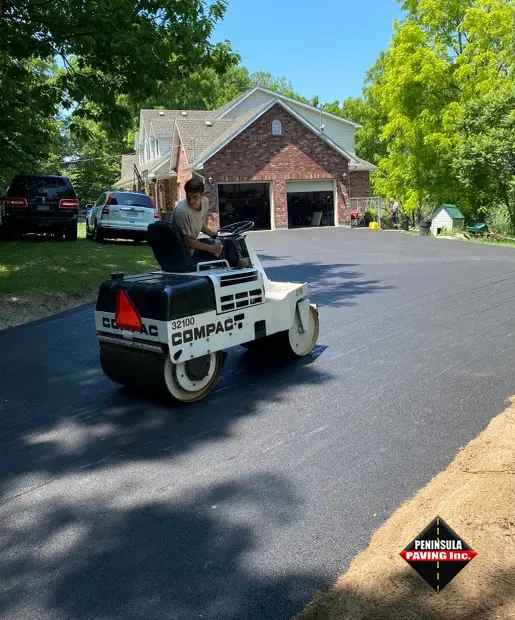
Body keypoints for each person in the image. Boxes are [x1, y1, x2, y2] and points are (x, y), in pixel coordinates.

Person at [171, 177, 222, 260]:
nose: (191, 201)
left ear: (202, 195)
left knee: (225, 246)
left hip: (191, 249)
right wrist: (212, 249)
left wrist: (214, 236)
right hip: (179, 254)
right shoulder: (182, 211)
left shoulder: (205, 202)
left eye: (195, 197)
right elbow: (187, 241)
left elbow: (199, 223)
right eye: (188, 197)